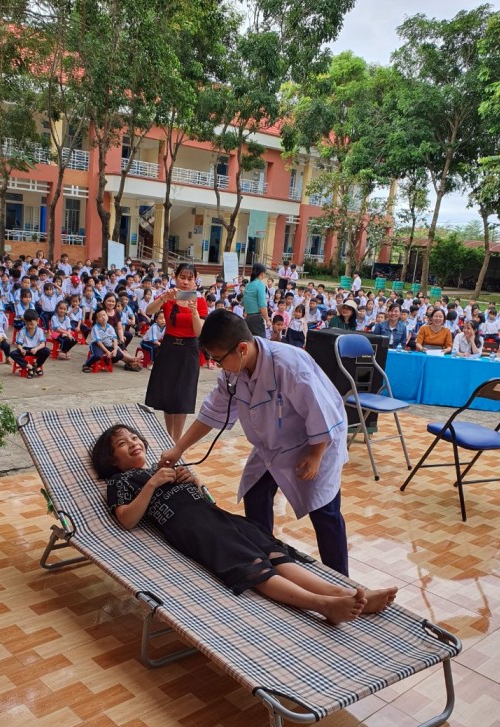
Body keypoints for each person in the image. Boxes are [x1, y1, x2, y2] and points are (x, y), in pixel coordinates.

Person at [93, 424, 396, 622]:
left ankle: (341, 593)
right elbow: (127, 519)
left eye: (134, 437)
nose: (133, 442)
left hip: (219, 517)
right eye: (122, 443)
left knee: (272, 552)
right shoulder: (121, 481)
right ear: (112, 460)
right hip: (195, 529)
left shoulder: (165, 468)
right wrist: (152, 483)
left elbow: (206, 500)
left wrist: (192, 481)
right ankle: (320, 604)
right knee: (251, 565)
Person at [159, 311, 350, 576]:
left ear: (242, 348)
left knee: (324, 511)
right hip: (273, 445)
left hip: (316, 441)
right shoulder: (233, 372)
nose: (217, 365)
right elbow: (213, 411)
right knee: (256, 493)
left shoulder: (289, 365)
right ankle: (268, 562)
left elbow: (321, 412)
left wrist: (316, 455)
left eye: (218, 359)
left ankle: (342, 579)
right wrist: (179, 448)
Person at [144, 263, 208, 442]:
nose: (185, 282)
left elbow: (199, 332)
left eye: (190, 279)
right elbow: (149, 311)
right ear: (175, 277)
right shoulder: (169, 297)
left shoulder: (200, 301)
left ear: (195, 281)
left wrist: (194, 313)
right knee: (168, 395)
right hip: (169, 348)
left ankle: (176, 441)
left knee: (182, 397)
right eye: (182, 277)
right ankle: (168, 436)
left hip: (189, 350)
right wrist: (163, 299)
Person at [82, 306, 143, 371]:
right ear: (97, 320)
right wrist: (107, 351)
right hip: (97, 345)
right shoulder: (95, 328)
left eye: (104, 315)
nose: (103, 317)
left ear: (107, 316)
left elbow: (114, 339)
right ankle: (87, 364)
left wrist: (115, 350)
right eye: (100, 316)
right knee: (97, 355)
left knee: (119, 355)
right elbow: (98, 342)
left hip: (108, 344)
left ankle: (106, 361)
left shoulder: (110, 327)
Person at [9, 309, 49, 376]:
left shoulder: (40, 331)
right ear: (25, 321)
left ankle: (36, 365)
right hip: (25, 350)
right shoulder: (22, 331)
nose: (29, 326)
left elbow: (43, 344)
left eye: (31, 324)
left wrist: (36, 349)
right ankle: (29, 366)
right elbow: (19, 344)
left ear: (37, 321)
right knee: (13, 354)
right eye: (27, 324)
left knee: (47, 351)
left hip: (36, 350)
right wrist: (21, 349)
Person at [241, 262, 270, 337]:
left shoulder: (248, 285)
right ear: (262, 274)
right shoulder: (260, 285)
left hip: (248, 318)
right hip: (257, 319)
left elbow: (243, 302)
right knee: (261, 341)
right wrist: (267, 320)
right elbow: (262, 305)